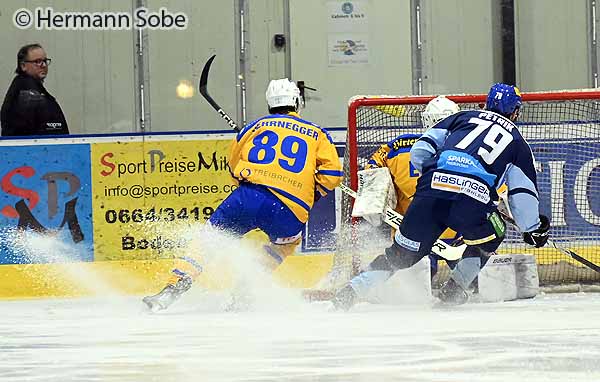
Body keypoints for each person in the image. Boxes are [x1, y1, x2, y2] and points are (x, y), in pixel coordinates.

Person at [333, 83, 550, 310]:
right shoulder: (518, 143)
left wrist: (437, 178)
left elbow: (420, 151)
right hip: (472, 201)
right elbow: (521, 193)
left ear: (485, 104)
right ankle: (454, 291)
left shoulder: (463, 117)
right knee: (493, 234)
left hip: (430, 192)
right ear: (515, 111)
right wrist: (532, 228)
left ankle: (348, 293)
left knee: (400, 254)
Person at [143, 78, 343, 311]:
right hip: (289, 210)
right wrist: (307, 194)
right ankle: (243, 294)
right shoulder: (317, 133)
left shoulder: (254, 127)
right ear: (297, 103)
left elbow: (233, 167)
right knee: (284, 246)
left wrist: (253, 183)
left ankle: (171, 290)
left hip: (247, 198)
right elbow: (331, 174)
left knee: (207, 241)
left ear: (270, 104)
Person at [365, 96, 462, 280]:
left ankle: (358, 284)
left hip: (412, 234)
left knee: (408, 278)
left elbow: (372, 168)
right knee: (477, 277)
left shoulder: (397, 148)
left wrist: (380, 194)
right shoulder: (469, 151)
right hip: (458, 235)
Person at [1, 43, 69, 136]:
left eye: (45, 61)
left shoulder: (28, 87)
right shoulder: (27, 92)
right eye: (37, 61)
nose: (44, 65)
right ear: (23, 66)